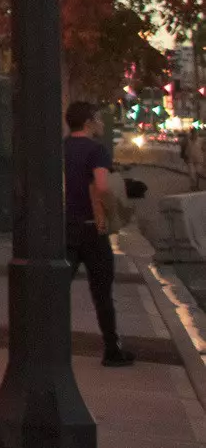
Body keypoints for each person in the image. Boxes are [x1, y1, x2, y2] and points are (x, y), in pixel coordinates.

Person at [64, 101, 135, 367]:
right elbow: (102, 186)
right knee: (102, 293)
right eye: (98, 118)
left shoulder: (60, 147)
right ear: (88, 122)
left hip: (65, 227)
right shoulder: (96, 150)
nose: (101, 123)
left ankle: (43, 346)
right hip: (92, 228)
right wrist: (111, 210)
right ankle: (111, 350)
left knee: (57, 289)